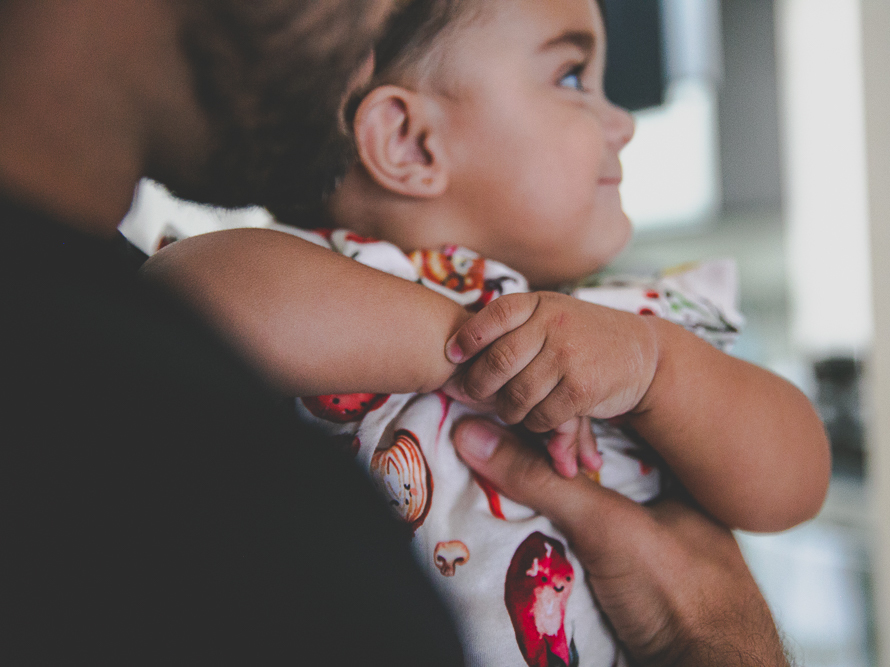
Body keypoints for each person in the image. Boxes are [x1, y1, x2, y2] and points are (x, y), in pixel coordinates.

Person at [0, 0, 796, 664]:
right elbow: (189, 300)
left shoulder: (629, 320)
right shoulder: (344, 275)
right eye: (570, 76)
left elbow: (793, 479)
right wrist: (477, 348)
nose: (620, 121)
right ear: (412, 144)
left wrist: (659, 371)